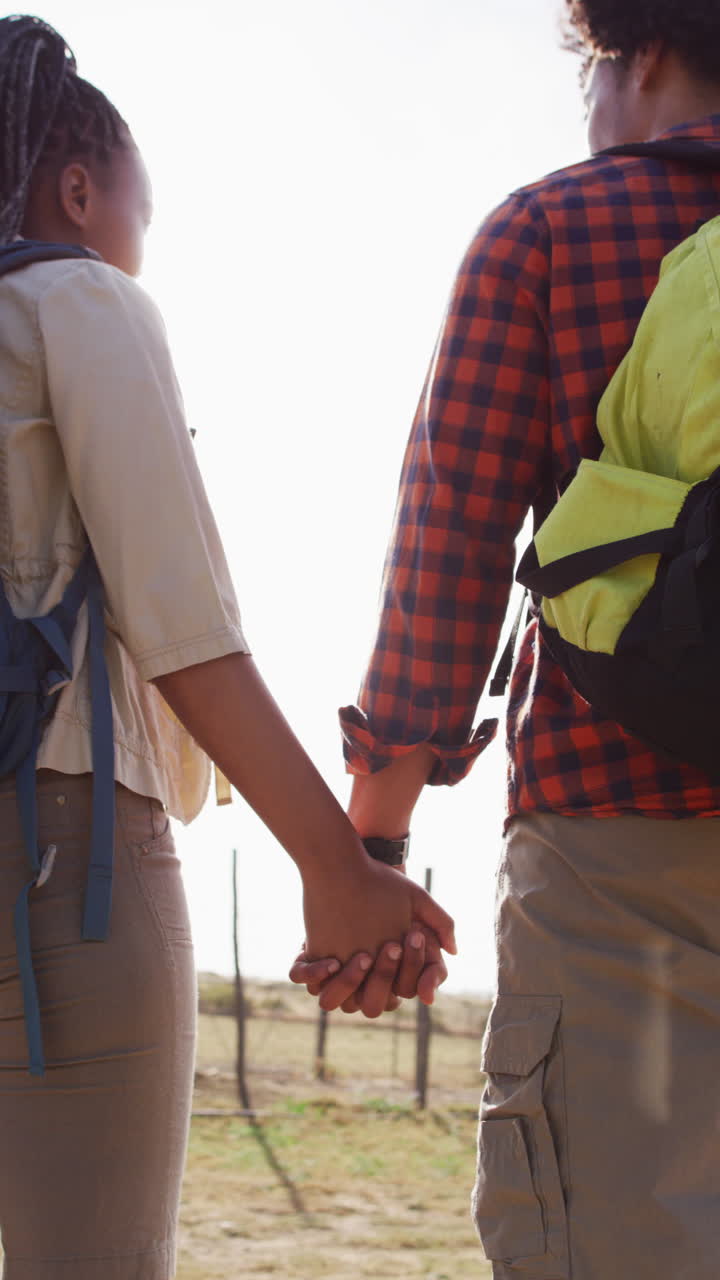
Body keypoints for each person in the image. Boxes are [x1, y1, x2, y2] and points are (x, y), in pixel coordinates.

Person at [0, 14, 458, 1279]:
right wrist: (339, 866)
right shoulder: (76, 297)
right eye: (141, 217)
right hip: (60, 859)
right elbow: (185, 632)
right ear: (77, 188)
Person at [293, 1, 720, 1275]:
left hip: (616, 856)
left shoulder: (555, 227)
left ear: (636, 54)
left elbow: (448, 557)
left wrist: (371, 852)